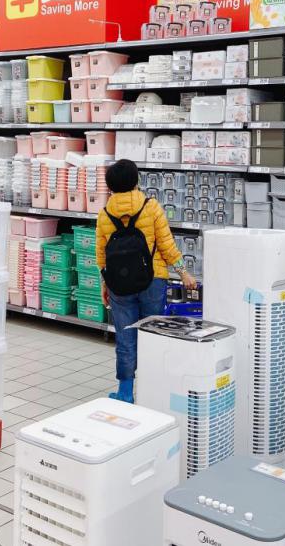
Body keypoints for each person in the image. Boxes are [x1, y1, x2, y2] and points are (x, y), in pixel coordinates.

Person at [96, 158, 197, 404]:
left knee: (125, 337)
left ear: (110, 187)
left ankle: (125, 392)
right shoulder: (151, 207)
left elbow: (101, 255)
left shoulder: (104, 214)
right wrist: (183, 272)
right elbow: (167, 245)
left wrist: (104, 284)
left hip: (119, 284)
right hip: (153, 280)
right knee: (152, 335)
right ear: (136, 181)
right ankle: (153, 388)